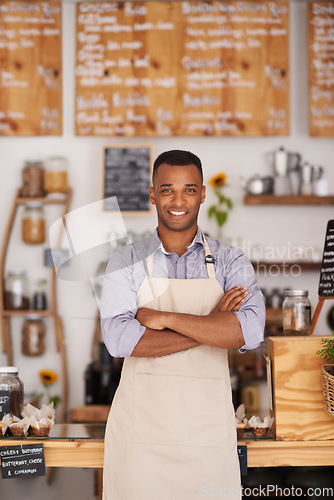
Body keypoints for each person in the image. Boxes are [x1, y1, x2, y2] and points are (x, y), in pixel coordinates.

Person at [100, 150, 265, 500]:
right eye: (167, 190)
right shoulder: (125, 261)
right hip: (140, 446)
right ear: (152, 194)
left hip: (207, 442)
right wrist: (212, 325)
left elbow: (248, 331)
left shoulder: (229, 261)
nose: (178, 201)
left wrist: (164, 319)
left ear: (203, 194)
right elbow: (119, 340)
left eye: (189, 190)